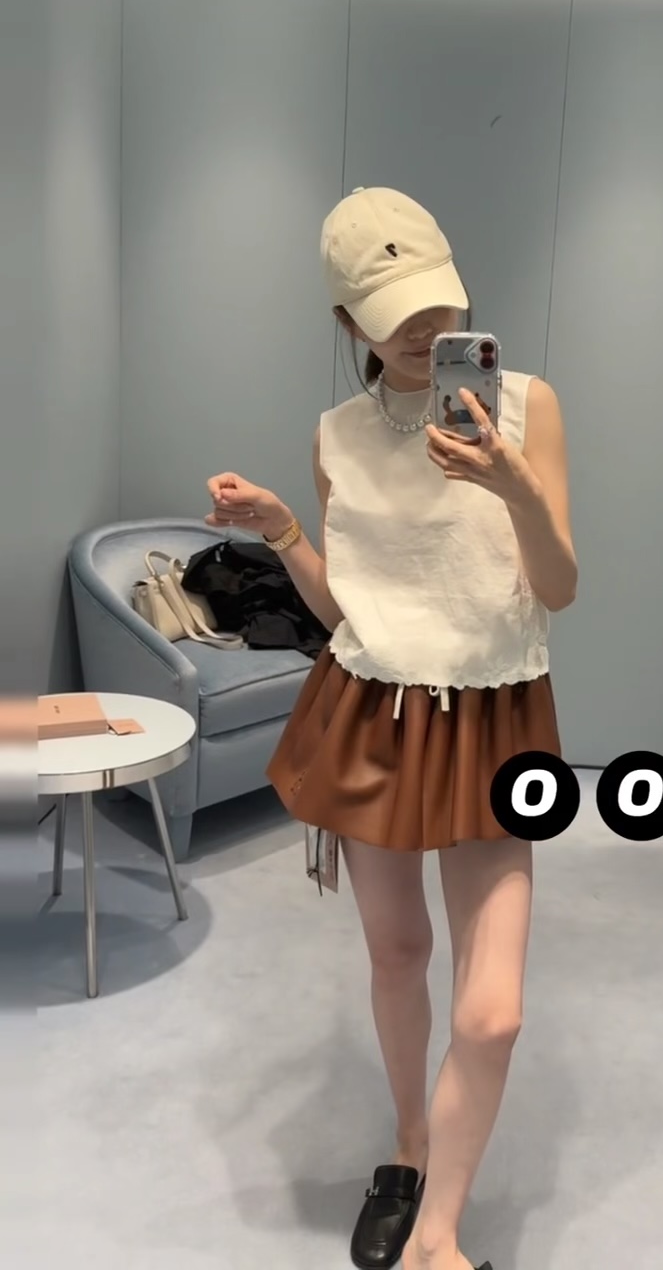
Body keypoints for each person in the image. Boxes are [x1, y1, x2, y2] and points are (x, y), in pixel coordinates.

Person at [205, 187, 576, 1270]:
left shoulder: (527, 406)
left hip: (495, 713)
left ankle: (435, 1241)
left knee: (493, 1012)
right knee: (399, 952)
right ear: (346, 323)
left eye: (435, 303)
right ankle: (410, 1151)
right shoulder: (336, 437)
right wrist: (284, 531)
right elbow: (347, 613)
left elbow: (557, 588)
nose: (422, 329)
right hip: (373, 709)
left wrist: (511, 485)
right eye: (393, 314)